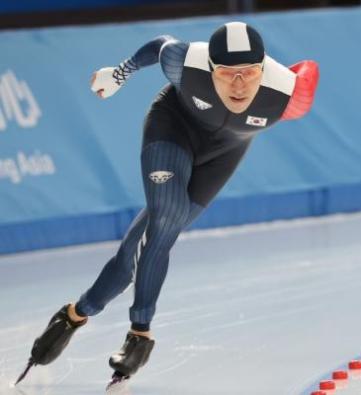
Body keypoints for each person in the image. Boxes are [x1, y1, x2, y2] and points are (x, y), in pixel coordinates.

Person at [16, 21, 319, 387]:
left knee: (135, 255)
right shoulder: (185, 62)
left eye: (249, 74)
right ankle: (139, 334)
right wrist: (120, 73)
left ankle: (74, 314)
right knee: (166, 216)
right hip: (172, 128)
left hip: (225, 154)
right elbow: (160, 45)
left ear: (262, 69)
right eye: (227, 74)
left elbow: (308, 71)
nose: (239, 86)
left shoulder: (289, 95)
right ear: (209, 68)